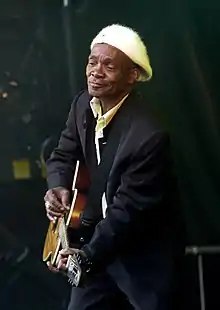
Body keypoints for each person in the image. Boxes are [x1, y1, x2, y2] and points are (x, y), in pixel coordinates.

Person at [44, 24, 185, 310]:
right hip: (98, 249)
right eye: (92, 61)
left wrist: (85, 255)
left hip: (142, 259)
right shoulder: (82, 105)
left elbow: (128, 212)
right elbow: (62, 155)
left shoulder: (149, 136)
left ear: (133, 76)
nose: (96, 71)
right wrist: (57, 186)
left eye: (109, 65)